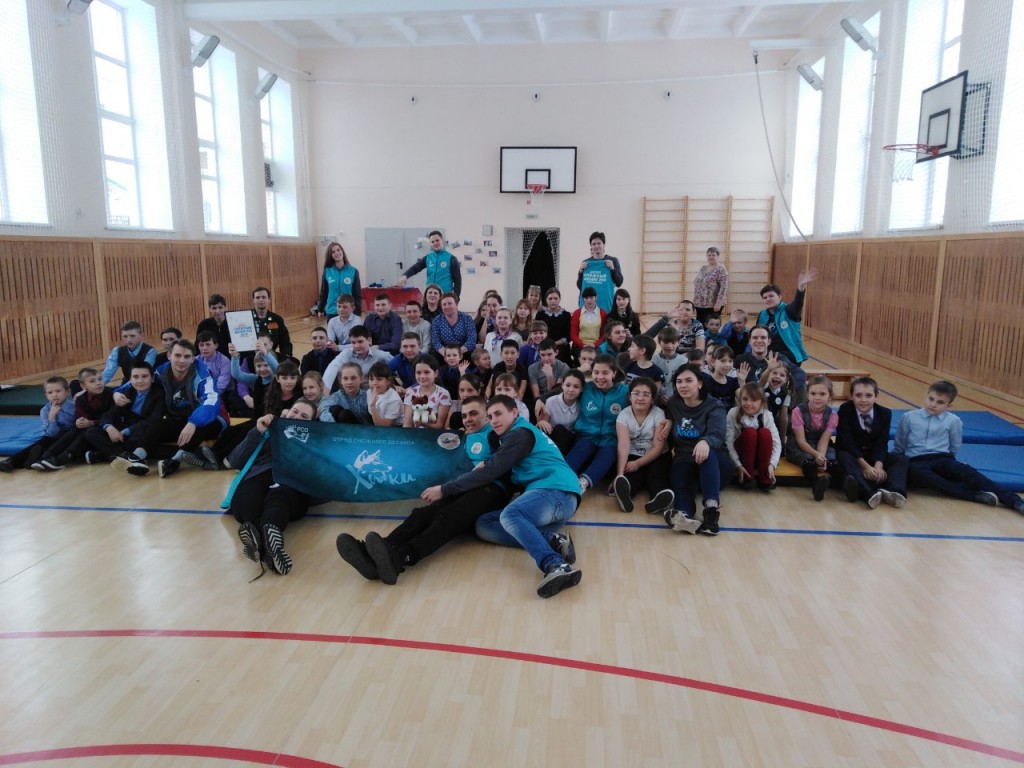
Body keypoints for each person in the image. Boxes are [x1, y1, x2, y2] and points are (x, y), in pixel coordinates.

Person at [336, 396, 528, 585]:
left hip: (492, 488)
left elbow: (499, 465)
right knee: (423, 513)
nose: (468, 419)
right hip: (464, 486)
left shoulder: (496, 435)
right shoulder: (465, 436)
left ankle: (402, 557)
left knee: (449, 516)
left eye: (474, 414)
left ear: (487, 416)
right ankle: (379, 552)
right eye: (464, 415)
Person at [423, 395, 583, 598]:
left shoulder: (520, 434)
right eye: (490, 416)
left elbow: (491, 471)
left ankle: (556, 565)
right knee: (484, 524)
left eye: (498, 414)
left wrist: (445, 489)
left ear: (514, 412)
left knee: (511, 515)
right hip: (551, 499)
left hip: (558, 492)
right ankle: (553, 540)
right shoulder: (511, 437)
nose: (494, 420)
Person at [892, 380, 1024, 514]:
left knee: (967, 472)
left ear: (949, 406)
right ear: (926, 396)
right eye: (931, 399)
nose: (933, 404)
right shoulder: (909, 417)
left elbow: (954, 444)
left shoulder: (953, 421)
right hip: (916, 460)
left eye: (940, 402)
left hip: (942, 458)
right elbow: (900, 443)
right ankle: (972, 495)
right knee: (920, 474)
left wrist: (951, 463)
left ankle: (1015, 501)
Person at [229, 398, 321, 576]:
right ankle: (269, 546)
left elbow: (324, 484)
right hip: (260, 475)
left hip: (291, 482)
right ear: (287, 412)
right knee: (246, 496)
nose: (297, 417)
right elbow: (235, 461)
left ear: (312, 422)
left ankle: (262, 538)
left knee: (279, 496)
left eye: (304, 416)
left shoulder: (316, 442)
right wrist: (257, 432)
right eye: (295, 412)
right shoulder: (269, 430)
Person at [110, 339, 226, 478]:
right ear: (169, 355)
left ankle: (174, 462)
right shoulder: (161, 372)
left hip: (212, 420)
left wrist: (193, 422)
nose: (182, 360)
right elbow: (137, 380)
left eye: (187, 356)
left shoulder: (203, 376)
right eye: (177, 355)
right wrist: (117, 392)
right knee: (158, 424)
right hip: (182, 420)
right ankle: (136, 457)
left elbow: (211, 402)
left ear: (193, 358)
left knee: (201, 427)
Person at [663, 364, 729, 536]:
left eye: (688, 381)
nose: (683, 385)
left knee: (706, 454)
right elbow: (668, 415)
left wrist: (705, 441)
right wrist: (669, 420)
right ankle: (684, 517)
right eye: (679, 381)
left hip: (715, 463)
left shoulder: (714, 405)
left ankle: (711, 512)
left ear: (699, 383)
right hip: (685, 458)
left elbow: (718, 434)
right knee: (681, 482)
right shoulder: (674, 403)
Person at [836, 377, 908, 509]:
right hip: (853, 455)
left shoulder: (884, 413)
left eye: (869, 395)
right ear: (851, 396)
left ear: (876, 396)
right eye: (858, 395)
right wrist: (866, 467)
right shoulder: (845, 409)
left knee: (901, 459)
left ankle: (895, 491)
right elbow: (846, 441)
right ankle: (867, 492)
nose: (863, 400)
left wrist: (878, 466)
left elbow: (882, 441)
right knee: (843, 457)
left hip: (872, 455)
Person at [565, 354, 628, 494]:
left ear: (614, 373)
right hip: (586, 436)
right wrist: (541, 399)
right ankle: (560, 479)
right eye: (596, 372)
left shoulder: (625, 392)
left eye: (605, 373)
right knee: (577, 454)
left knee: (608, 453)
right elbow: (563, 389)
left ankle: (583, 483)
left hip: (611, 439)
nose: (600, 377)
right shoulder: (586, 388)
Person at [612, 377, 674, 515]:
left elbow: (657, 447)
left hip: (658, 455)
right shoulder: (623, 415)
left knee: (657, 476)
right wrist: (619, 475)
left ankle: (657, 502)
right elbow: (623, 445)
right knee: (632, 477)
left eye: (646, 394)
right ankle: (624, 496)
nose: (640, 398)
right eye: (636, 393)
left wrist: (638, 463)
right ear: (630, 397)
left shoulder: (658, 414)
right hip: (634, 454)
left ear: (652, 399)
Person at [82, 362, 165, 465]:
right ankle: (125, 456)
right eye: (135, 377)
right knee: (91, 432)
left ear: (152, 379)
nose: (140, 381)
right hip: (124, 428)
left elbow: (153, 420)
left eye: (144, 376)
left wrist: (127, 431)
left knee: (141, 438)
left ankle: (108, 455)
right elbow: (108, 415)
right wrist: (109, 427)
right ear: (130, 379)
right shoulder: (128, 392)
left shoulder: (159, 393)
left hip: (141, 428)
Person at [33, 368, 114, 470]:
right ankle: (47, 455)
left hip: (102, 430)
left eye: (100, 379)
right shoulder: (80, 399)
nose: (98, 383)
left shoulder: (111, 395)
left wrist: (91, 422)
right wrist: (80, 421)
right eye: (92, 381)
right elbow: (80, 417)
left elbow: (111, 416)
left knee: (83, 432)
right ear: (83, 386)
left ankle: (64, 457)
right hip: (78, 431)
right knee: (53, 438)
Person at [757, 269, 817, 398]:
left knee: (783, 369)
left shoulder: (789, 311)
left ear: (780, 297)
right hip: (769, 354)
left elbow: (797, 304)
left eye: (771, 296)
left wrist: (800, 289)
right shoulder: (762, 315)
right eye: (765, 297)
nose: (768, 299)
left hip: (789, 354)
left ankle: (790, 397)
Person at [0, 377, 76, 472]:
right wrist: (52, 417)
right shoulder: (45, 410)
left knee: (54, 444)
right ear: (46, 395)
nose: (54, 395)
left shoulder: (74, 407)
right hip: (53, 435)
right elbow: (50, 434)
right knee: (41, 443)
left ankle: (36, 459)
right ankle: (11, 461)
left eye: (58, 391)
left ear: (68, 392)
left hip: (70, 434)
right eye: (50, 392)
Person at [786, 375, 839, 501]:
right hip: (801, 444)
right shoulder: (798, 411)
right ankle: (815, 483)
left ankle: (846, 482)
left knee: (832, 460)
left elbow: (824, 439)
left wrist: (821, 457)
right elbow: (801, 441)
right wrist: (815, 455)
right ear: (807, 395)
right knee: (808, 460)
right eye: (813, 393)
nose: (817, 397)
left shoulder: (832, 415)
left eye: (822, 394)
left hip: (820, 444)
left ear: (830, 396)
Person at [725, 382, 781, 492]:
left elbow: (776, 442)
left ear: (762, 402)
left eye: (753, 400)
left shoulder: (767, 415)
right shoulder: (733, 413)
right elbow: (729, 442)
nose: (748, 403)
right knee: (750, 432)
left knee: (765, 432)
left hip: (761, 457)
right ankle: (747, 476)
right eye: (745, 399)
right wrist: (737, 464)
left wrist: (772, 464)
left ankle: (765, 476)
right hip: (742, 456)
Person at [535, 369, 585, 455]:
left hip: (570, 439)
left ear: (581, 389)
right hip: (553, 438)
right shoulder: (551, 402)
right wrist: (541, 422)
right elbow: (543, 423)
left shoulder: (581, 405)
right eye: (568, 385)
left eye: (576, 387)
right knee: (558, 429)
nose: (571, 389)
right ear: (562, 385)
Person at [398, 230, 462, 296]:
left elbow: (457, 280)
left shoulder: (451, 258)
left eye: (437, 240)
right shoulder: (428, 258)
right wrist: (405, 276)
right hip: (430, 295)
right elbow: (415, 268)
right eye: (432, 242)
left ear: (442, 240)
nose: (435, 243)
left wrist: (456, 297)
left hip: (445, 295)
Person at [322, 325, 391, 385]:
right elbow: (333, 367)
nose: (357, 346)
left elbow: (395, 365)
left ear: (369, 340)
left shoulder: (381, 355)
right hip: (352, 392)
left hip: (374, 391)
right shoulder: (346, 353)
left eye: (360, 341)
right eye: (353, 342)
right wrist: (326, 390)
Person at [576, 231, 623, 312]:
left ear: (603, 244)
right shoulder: (586, 263)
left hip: (606, 307)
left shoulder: (613, 260)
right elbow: (580, 286)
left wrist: (613, 269)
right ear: (591, 246)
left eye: (599, 243)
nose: (596, 246)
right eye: (594, 244)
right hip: (588, 308)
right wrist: (580, 272)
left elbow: (619, 282)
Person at [101, 320, 157, 386]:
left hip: (144, 385)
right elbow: (107, 373)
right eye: (125, 336)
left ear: (141, 335)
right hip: (126, 384)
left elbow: (142, 374)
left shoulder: (150, 351)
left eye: (132, 336)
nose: (129, 340)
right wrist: (98, 385)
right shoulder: (117, 351)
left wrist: (122, 389)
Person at [403, 355, 452, 428]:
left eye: (427, 372)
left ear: (435, 373)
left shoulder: (443, 394)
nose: (422, 376)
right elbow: (407, 424)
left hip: (434, 434)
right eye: (418, 372)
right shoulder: (410, 392)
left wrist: (423, 424)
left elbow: (440, 426)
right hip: (414, 433)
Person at [316, 241, 362, 317]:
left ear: (342, 251)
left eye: (338, 250)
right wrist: (320, 309)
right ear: (330, 255)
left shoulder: (353, 271)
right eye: (333, 252)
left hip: (348, 311)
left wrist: (358, 312)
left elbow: (357, 294)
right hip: (332, 311)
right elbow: (323, 292)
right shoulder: (327, 271)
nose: (336, 253)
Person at [251, 286, 292, 359]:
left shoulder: (277, 319)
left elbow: (285, 342)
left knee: (294, 362)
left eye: (264, 297)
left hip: (271, 357)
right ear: (253, 300)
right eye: (257, 298)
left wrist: (286, 356)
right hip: (250, 357)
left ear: (269, 300)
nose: (261, 300)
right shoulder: (246, 318)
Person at [693, 246, 729, 325]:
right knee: (699, 324)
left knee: (710, 325)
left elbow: (724, 287)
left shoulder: (721, 269)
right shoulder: (703, 268)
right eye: (709, 255)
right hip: (700, 304)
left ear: (718, 256)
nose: (711, 257)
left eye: (713, 255)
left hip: (713, 305)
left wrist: (718, 302)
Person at [760, 359, 792, 444]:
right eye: (774, 373)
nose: (777, 376)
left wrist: (782, 439)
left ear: (786, 379)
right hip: (756, 422)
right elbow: (762, 379)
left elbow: (783, 418)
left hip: (770, 425)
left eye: (782, 375)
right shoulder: (763, 386)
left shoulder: (785, 394)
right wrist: (769, 369)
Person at [651, 326, 685, 406]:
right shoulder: (652, 360)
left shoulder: (684, 361)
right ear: (659, 342)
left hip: (676, 401)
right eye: (666, 342)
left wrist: (673, 399)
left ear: (678, 342)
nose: (669, 346)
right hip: (655, 400)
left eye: (673, 343)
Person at [538, 287, 572, 362]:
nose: (553, 301)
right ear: (546, 299)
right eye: (550, 298)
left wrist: (554, 344)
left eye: (555, 298)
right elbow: (536, 331)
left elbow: (568, 336)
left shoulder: (566, 315)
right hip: (543, 346)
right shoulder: (540, 314)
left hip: (561, 346)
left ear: (559, 299)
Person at [570, 287, 607, 355]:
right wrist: (583, 345)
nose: (589, 300)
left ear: (596, 297)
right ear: (583, 299)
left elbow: (604, 335)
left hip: (597, 347)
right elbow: (573, 335)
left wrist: (594, 345)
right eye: (586, 298)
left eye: (591, 297)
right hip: (580, 346)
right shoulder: (577, 313)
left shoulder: (603, 314)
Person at [366, 361, 403, 427]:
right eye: (371, 379)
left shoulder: (394, 400)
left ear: (388, 381)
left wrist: (373, 406)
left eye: (379, 379)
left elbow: (384, 427)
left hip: (396, 428)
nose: (374, 383)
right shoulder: (369, 392)